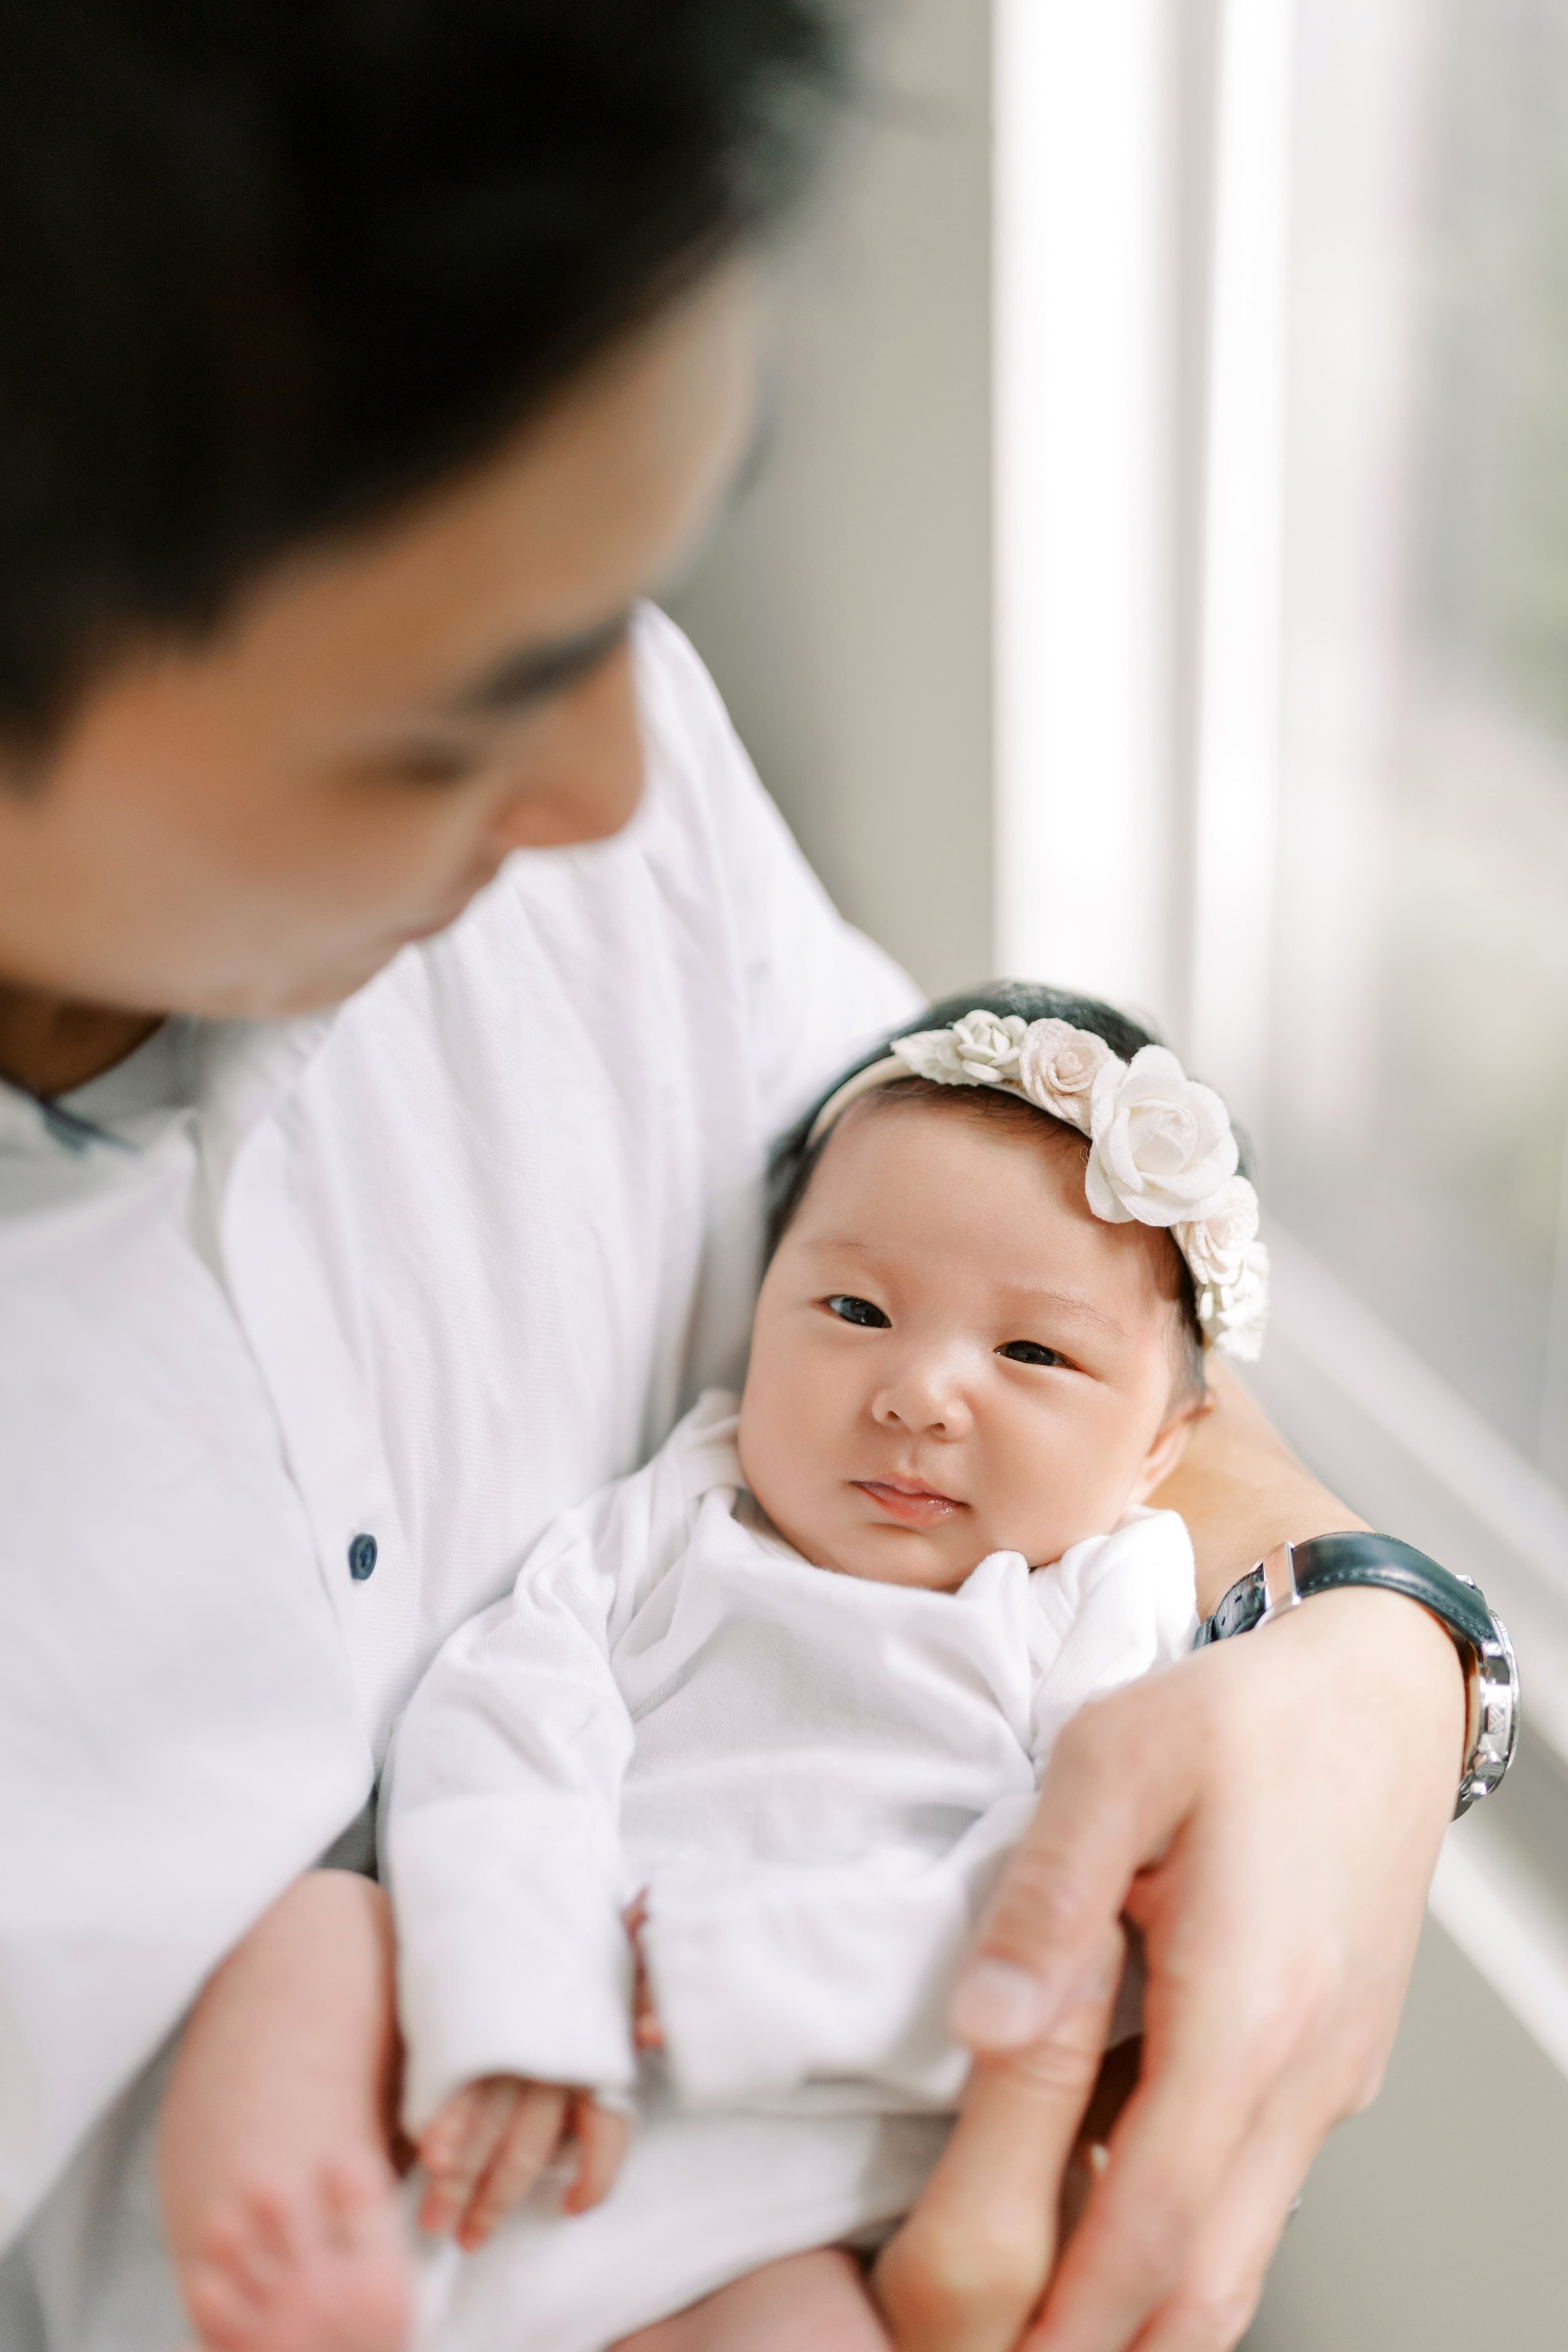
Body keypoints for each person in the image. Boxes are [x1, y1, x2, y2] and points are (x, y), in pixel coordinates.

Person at [0, 7, 1470, 2351]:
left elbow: (1083, 1320)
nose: (612, 789)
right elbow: (525, 1709)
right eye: (446, 712)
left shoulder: (611, 798)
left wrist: (1389, 1664)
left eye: (629, 607)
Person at [156, 988, 1239, 2352]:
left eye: (1029, 1351)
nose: (915, 1394)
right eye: (851, 1307)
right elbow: (505, 1715)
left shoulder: (1101, 1597)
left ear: (1158, 1443)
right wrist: (520, 1994)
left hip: (790, 2171)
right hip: (508, 2038)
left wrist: (733, 1970)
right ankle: (301, 2242)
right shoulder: (682, 1507)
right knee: (321, 1928)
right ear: (761, 1303)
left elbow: (1072, 1905)